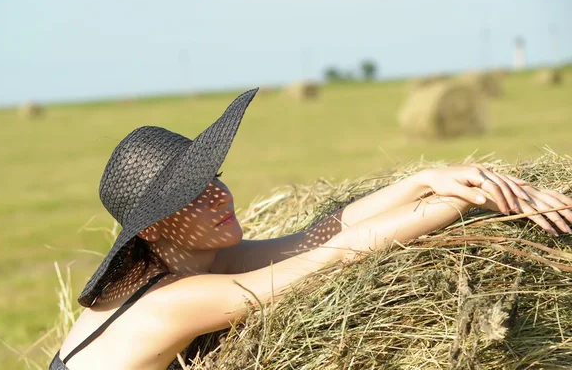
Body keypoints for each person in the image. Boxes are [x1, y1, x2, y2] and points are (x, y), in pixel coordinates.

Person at [50, 88, 572, 369]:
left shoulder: (191, 264)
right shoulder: (175, 301)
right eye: (193, 197)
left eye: (214, 180)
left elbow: (321, 234)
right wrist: (465, 202)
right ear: (152, 230)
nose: (220, 197)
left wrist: (427, 180)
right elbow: (333, 258)